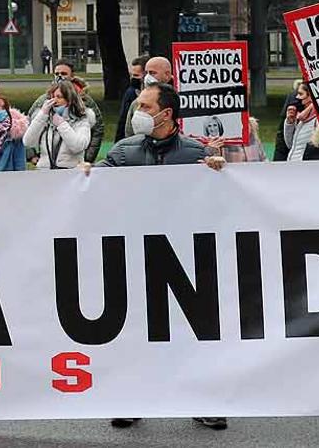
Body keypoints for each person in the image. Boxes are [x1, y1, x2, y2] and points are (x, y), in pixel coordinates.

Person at [89, 81, 226, 431]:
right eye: (138, 106)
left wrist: (220, 174)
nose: (138, 114)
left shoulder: (196, 154)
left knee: (195, 331)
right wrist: (84, 174)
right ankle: (133, 400)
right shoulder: (123, 151)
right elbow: (94, 183)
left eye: (146, 107)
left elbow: (219, 203)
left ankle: (205, 401)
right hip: (137, 255)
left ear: (167, 114)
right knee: (136, 330)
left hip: (185, 257)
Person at [28, 61, 104, 163]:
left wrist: (88, 158)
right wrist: (32, 155)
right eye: (57, 74)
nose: (60, 76)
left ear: (72, 76)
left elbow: (97, 129)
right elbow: (29, 124)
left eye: (64, 74)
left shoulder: (85, 101)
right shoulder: (44, 100)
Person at [24, 80, 93, 170]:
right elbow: (28, 142)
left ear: (69, 100)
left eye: (59, 97)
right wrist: (42, 115)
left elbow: (78, 146)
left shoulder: (81, 121)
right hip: (45, 171)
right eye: (52, 97)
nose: (54, 101)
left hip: (70, 172)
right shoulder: (45, 119)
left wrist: (62, 124)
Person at [114, 56, 149, 142]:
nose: (133, 78)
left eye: (136, 75)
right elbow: (124, 119)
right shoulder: (131, 93)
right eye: (132, 75)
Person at [283, 82, 317, 162]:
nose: (297, 97)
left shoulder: (317, 119)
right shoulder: (301, 117)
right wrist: (290, 123)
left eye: (301, 94)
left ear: (310, 97)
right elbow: (290, 145)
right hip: (293, 162)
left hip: (305, 166)